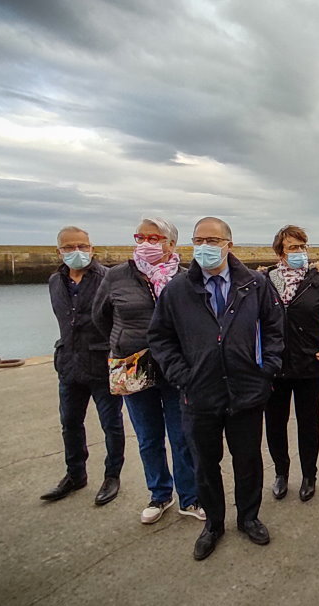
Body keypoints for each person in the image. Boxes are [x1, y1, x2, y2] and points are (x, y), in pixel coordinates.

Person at [148, 217, 284, 560]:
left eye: (213, 240)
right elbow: (160, 337)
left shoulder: (255, 285)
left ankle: (248, 518)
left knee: (248, 461)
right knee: (205, 464)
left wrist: (267, 370)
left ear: (229, 244)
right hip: (199, 394)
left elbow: (274, 328)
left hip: (247, 393)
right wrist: (181, 374)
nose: (206, 247)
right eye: (199, 240)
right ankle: (213, 525)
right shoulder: (177, 289)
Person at [92, 217, 201, 524]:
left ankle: (190, 498)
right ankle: (159, 494)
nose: (147, 243)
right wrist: (124, 343)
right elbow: (100, 317)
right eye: (142, 236)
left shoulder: (184, 278)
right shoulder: (117, 276)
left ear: (171, 244)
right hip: (133, 366)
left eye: (155, 238)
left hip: (175, 365)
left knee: (182, 435)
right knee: (148, 437)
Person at [41, 226, 125, 506]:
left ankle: (112, 476)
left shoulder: (107, 279)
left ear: (91, 248)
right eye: (69, 247)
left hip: (101, 364)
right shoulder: (55, 281)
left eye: (82, 246)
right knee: (70, 423)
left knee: (111, 425)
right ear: (59, 251)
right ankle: (75, 474)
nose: (76, 252)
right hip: (68, 364)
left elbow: (118, 321)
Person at [264, 225, 319, 502]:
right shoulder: (266, 280)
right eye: (293, 247)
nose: (299, 252)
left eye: (303, 246)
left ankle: (309, 475)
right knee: (275, 423)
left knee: (308, 422)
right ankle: (281, 473)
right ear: (280, 251)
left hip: (309, 364)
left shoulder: (318, 280)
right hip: (274, 366)